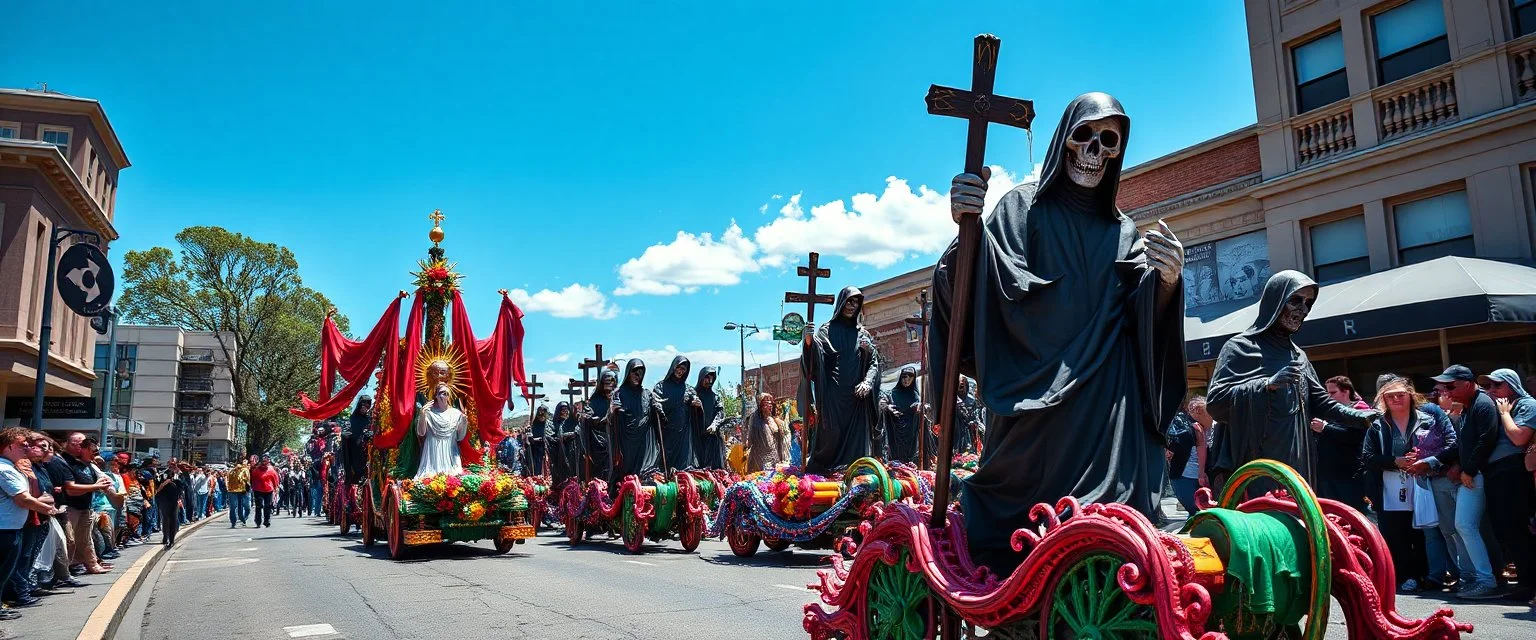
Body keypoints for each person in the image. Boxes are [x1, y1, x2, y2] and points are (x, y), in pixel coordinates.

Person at [933, 93, 1188, 571]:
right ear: (1062, 142)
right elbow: (985, 281)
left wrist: (1168, 282)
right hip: (1035, 403)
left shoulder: (1124, 231)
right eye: (1083, 136)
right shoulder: (1021, 208)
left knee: (1124, 508)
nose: (1094, 151)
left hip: (1106, 407)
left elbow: (1142, 317)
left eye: (1108, 141)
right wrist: (967, 229)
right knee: (1020, 508)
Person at [1208, 271, 1377, 489]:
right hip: (1257, 460)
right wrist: (1266, 385)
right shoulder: (1239, 347)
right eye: (1296, 300)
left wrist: (1363, 416)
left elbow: (1323, 403)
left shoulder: (1298, 356)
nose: (1303, 310)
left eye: (1308, 303)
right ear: (1274, 301)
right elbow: (1216, 402)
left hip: (1297, 458)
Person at [1361, 376, 1436, 593]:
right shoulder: (1377, 426)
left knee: (1423, 532)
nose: (1396, 400)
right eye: (1390, 396)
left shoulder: (1427, 421)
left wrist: (1422, 458)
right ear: (1383, 399)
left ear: (1411, 396)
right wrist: (1395, 461)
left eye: (1400, 395)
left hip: (1422, 483)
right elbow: (1368, 457)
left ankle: (1427, 574)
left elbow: (1442, 448)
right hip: (1388, 488)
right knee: (1395, 533)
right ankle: (1405, 575)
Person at [1432, 364, 1502, 600]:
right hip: (1473, 473)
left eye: (1451, 386)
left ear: (1468, 384)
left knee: (1464, 525)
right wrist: (1433, 461)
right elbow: (1461, 446)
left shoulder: (1482, 404)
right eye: (1444, 387)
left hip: (1477, 474)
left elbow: (1486, 439)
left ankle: (1486, 581)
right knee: (1467, 526)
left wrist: (1468, 469)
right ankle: (1480, 578)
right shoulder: (1469, 406)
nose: (1446, 391)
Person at [801, 286, 882, 472]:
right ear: (841, 303)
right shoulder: (826, 330)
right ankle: (824, 470)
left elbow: (874, 363)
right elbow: (814, 360)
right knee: (831, 435)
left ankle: (855, 472)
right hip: (833, 395)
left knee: (857, 441)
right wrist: (808, 342)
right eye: (849, 301)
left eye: (856, 302)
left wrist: (868, 382)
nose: (852, 306)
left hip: (857, 398)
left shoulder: (863, 333)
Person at [1477, 367, 1536, 601]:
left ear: (1512, 385)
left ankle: (1529, 584)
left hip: (1515, 471)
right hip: (1497, 473)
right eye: (1488, 386)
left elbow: (1519, 437)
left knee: (1519, 528)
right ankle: (1524, 581)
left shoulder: (1526, 404)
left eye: (1497, 385)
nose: (1491, 390)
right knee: (1507, 529)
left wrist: (1504, 413)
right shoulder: (1496, 407)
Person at [1, 428, 62, 617]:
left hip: (12, 527)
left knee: (7, 570)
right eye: (22, 445)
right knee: (4, 570)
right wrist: (48, 509)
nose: (27, 448)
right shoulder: (5, 470)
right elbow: (23, 499)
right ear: (9, 446)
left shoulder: (11, 467)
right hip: (5, 529)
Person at [1311, 375, 1372, 512]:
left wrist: (1325, 428)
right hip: (1327, 474)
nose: (1328, 396)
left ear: (1346, 392)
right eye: (1327, 393)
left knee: (1353, 512)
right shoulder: (1327, 412)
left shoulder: (1358, 410)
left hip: (1348, 474)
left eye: (1333, 392)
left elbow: (1354, 437)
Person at [57, 433, 112, 575]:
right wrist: (95, 486)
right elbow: (71, 490)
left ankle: (91, 564)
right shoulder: (64, 461)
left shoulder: (86, 463)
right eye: (83, 445)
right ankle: (65, 571)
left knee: (85, 539)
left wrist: (100, 485)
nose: (87, 448)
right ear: (71, 445)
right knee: (68, 540)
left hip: (85, 506)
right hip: (69, 507)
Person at [613, 359, 664, 479]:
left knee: (645, 466)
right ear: (628, 373)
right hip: (627, 438)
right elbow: (612, 416)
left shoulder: (647, 394)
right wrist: (615, 411)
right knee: (627, 467)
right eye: (635, 373)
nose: (637, 376)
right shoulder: (619, 393)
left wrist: (658, 409)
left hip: (644, 437)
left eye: (640, 374)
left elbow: (659, 416)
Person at [653, 356, 700, 472]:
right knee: (665, 461)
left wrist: (696, 405)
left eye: (683, 369)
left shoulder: (688, 389)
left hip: (683, 433)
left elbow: (695, 401)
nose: (680, 371)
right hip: (666, 430)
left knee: (682, 464)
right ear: (673, 367)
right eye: (678, 367)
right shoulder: (661, 386)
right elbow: (654, 402)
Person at [1167, 397, 1211, 515]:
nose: (1212, 417)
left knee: (1196, 510)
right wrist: (1202, 472)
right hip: (1187, 474)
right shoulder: (1195, 428)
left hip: (1185, 474)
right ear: (1199, 411)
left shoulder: (1192, 426)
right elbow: (1201, 449)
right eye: (1209, 414)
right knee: (1196, 510)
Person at [415, 383, 468, 479]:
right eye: (442, 393)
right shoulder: (428, 412)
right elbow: (421, 432)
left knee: (454, 477)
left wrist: (464, 422)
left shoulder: (456, 414)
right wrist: (422, 414)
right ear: (436, 395)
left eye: (447, 393)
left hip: (450, 454)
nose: (445, 395)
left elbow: (460, 437)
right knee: (429, 478)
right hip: (432, 454)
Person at [580, 371, 619, 483]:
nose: (609, 384)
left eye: (611, 381)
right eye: (606, 381)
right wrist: (590, 418)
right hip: (599, 443)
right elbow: (587, 420)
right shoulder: (595, 400)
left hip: (616, 441)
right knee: (601, 473)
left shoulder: (618, 398)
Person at [883, 366, 923, 464]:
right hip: (895, 433)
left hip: (910, 433)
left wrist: (920, 408)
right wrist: (888, 408)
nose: (907, 379)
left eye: (910, 376)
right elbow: (882, 404)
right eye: (904, 376)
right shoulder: (892, 393)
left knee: (909, 459)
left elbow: (920, 410)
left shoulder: (915, 395)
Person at [693, 367, 727, 470]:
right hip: (695, 437)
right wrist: (691, 405)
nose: (709, 381)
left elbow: (720, 412)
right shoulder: (693, 394)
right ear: (701, 378)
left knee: (712, 468)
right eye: (707, 378)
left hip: (711, 438)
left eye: (712, 379)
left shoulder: (715, 397)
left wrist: (714, 424)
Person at [745, 393, 787, 472]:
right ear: (761, 406)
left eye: (771, 404)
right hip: (759, 457)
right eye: (766, 404)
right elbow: (751, 437)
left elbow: (778, 438)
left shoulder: (772, 419)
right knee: (760, 476)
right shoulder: (755, 418)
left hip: (773, 455)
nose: (770, 406)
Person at [153, 464, 186, 547]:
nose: (173, 468)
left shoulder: (178, 476)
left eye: (174, 466)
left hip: (174, 499)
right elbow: (157, 485)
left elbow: (182, 486)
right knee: (166, 518)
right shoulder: (161, 474)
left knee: (173, 518)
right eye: (171, 466)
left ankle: (171, 539)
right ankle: (166, 537)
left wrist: (180, 498)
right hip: (164, 498)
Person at [251, 455, 280, 528]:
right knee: (259, 506)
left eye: (265, 462)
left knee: (268, 506)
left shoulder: (271, 470)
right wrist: (252, 488)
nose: (264, 463)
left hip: (268, 490)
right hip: (258, 490)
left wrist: (276, 487)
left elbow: (275, 479)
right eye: (263, 461)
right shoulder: (256, 470)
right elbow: (252, 479)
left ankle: (267, 521)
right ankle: (258, 521)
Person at [525, 405, 551, 476]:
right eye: (540, 413)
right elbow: (527, 440)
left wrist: (545, 439)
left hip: (546, 450)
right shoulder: (533, 425)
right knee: (536, 467)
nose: (542, 415)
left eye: (544, 412)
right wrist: (529, 438)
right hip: (535, 450)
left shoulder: (549, 425)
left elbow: (552, 436)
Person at [226, 457, 250, 527]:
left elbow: (247, 480)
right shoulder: (231, 471)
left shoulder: (245, 470)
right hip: (234, 491)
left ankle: (239, 520)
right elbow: (228, 479)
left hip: (241, 490)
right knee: (234, 507)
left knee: (238, 507)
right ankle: (235, 521)